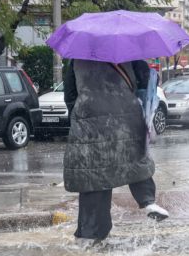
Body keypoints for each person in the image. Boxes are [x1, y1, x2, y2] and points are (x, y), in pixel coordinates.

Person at [63, 59, 169, 243]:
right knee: (134, 159)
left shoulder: (77, 59)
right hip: (125, 116)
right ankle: (148, 201)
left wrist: (81, 114)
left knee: (94, 176)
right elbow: (146, 82)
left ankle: (90, 234)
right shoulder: (126, 53)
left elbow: (70, 95)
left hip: (89, 120)